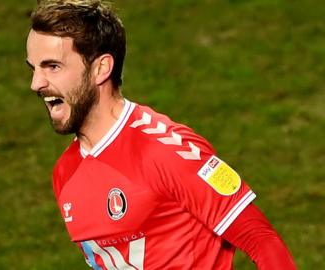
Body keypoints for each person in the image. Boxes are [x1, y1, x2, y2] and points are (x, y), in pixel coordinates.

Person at [25, 0, 296, 269]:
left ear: (100, 69)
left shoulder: (167, 151)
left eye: (52, 67)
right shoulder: (65, 173)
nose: (36, 83)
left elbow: (263, 242)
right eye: (33, 68)